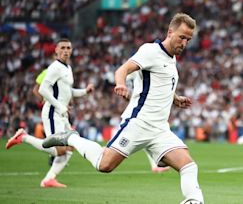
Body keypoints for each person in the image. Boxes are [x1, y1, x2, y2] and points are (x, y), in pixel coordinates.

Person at [42, 13, 204, 204]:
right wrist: (121, 84)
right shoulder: (151, 51)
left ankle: (194, 201)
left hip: (160, 129)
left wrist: (175, 98)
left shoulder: (171, 58)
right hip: (138, 123)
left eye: (188, 39)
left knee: (189, 166)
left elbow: (158, 83)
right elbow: (122, 70)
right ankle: (71, 138)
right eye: (182, 37)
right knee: (104, 165)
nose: (184, 43)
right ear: (170, 32)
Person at [6, 38, 95, 188]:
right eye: (63, 48)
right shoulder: (55, 67)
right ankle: (23, 137)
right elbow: (42, 90)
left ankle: (49, 179)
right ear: (56, 50)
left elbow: (68, 91)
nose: (66, 50)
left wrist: (85, 91)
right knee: (59, 150)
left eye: (68, 48)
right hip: (53, 113)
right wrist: (59, 105)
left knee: (70, 147)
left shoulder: (68, 68)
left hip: (62, 114)